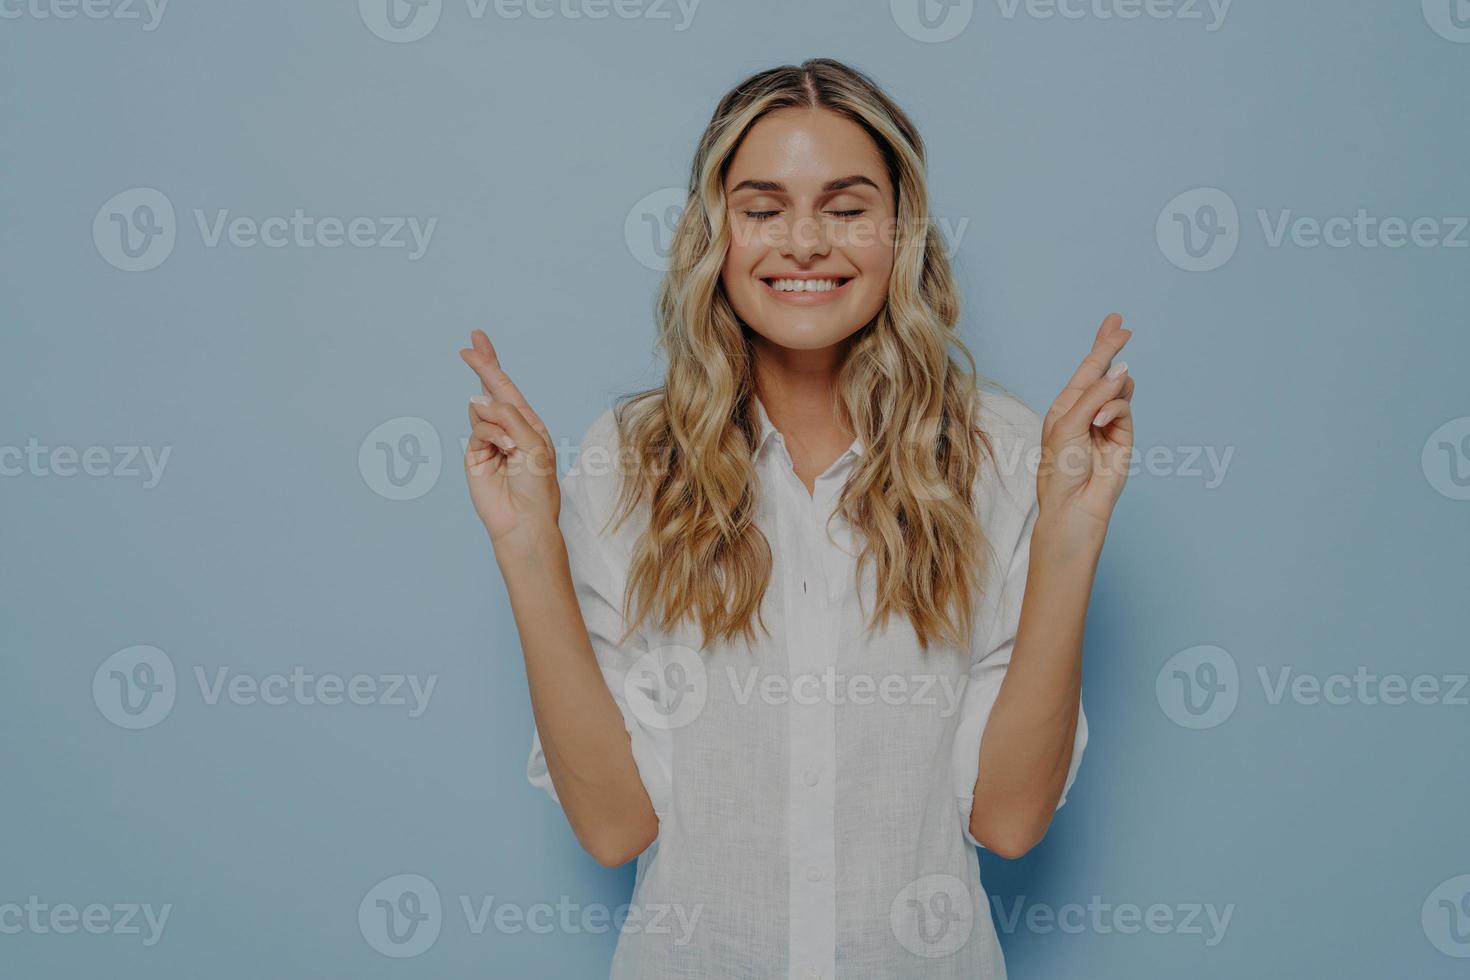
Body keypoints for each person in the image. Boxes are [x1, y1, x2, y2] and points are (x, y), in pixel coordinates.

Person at [459, 56, 1135, 980]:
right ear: (715, 235)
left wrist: (1072, 529)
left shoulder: (1004, 453)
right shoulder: (628, 458)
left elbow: (1010, 821)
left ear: (900, 235)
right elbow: (614, 829)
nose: (805, 241)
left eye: (849, 207)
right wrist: (525, 539)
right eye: (763, 207)